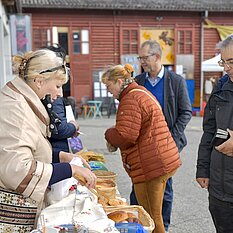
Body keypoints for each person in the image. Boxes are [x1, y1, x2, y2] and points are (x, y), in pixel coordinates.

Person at [0, 49, 96, 231]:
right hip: (12, 217)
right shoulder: (16, 109)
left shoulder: (21, 99)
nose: (59, 93)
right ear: (39, 81)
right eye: (58, 85)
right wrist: (70, 169)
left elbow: (28, 148)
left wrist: (60, 157)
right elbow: (18, 169)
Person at [102, 63, 182, 233]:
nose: (108, 91)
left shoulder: (130, 98)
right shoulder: (138, 92)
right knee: (152, 214)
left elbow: (126, 135)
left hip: (151, 164)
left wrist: (109, 134)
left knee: (150, 216)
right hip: (159, 159)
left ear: (119, 81)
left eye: (108, 85)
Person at [131, 40, 192, 232]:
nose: (141, 62)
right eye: (140, 58)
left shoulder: (176, 81)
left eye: (144, 58)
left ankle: (162, 227)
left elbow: (186, 112)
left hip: (166, 146)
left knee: (164, 189)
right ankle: (141, 224)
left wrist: (171, 139)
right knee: (138, 187)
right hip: (142, 147)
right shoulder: (138, 82)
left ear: (157, 57)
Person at [196, 34, 233, 232]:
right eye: (223, 62)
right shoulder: (221, 86)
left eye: (231, 62)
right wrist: (203, 168)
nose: (226, 68)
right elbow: (209, 131)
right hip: (219, 190)